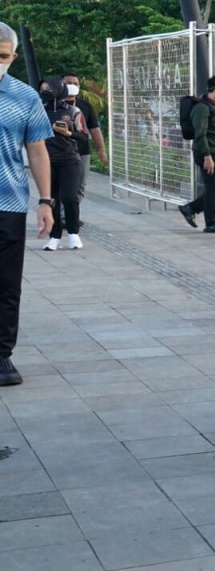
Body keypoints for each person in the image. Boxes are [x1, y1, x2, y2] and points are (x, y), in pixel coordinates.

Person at [0, 22, 55, 387]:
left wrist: (46, 201)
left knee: (6, 285)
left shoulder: (24, 96)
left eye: (2, 56)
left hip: (8, 203)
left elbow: (37, 151)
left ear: (13, 57)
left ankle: (2, 355)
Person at [179, 76, 215, 233]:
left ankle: (190, 208)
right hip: (206, 151)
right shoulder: (202, 108)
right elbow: (200, 134)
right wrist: (207, 156)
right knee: (213, 187)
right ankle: (211, 222)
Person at [39, 77, 88, 251]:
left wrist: (67, 133)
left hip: (69, 159)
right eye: (42, 88)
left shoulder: (74, 111)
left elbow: (83, 136)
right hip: (47, 160)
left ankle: (73, 234)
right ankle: (54, 237)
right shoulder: (39, 111)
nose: (44, 91)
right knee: (53, 199)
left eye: (48, 88)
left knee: (69, 197)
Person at [60, 72, 107, 202]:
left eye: (76, 83)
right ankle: (60, 216)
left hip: (82, 152)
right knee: (61, 186)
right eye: (68, 83)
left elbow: (95, 129)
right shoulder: (52, 105)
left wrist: (101, 149)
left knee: (79, 185)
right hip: (58, 152)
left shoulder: (85, 106)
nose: (72, 86)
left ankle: (71, 217)